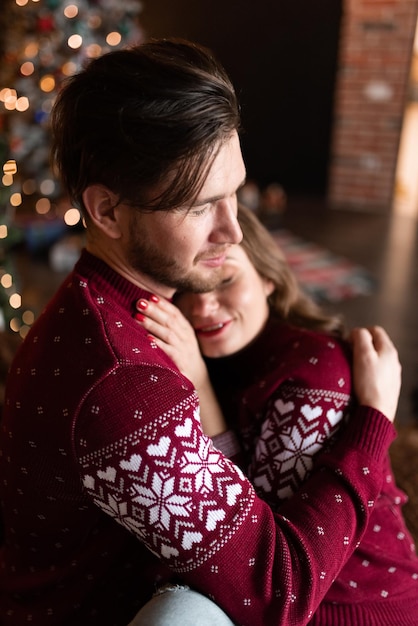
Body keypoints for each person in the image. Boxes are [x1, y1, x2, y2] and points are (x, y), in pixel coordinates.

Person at [0, 38, 403, 626]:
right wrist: (371, 427)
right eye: (198, 206)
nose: (234, 232)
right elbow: (276, 593)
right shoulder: (124, 382)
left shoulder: (101, 307)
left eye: (234, 194)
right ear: (107, 212)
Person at [135, 203, 418, 625]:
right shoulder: (220, 358)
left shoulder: (315, 369)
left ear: (268, 277)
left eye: (224, 279)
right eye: (187, 289)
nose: (203, 308)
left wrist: (202, 389)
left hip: (356, 607)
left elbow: (258, 547)